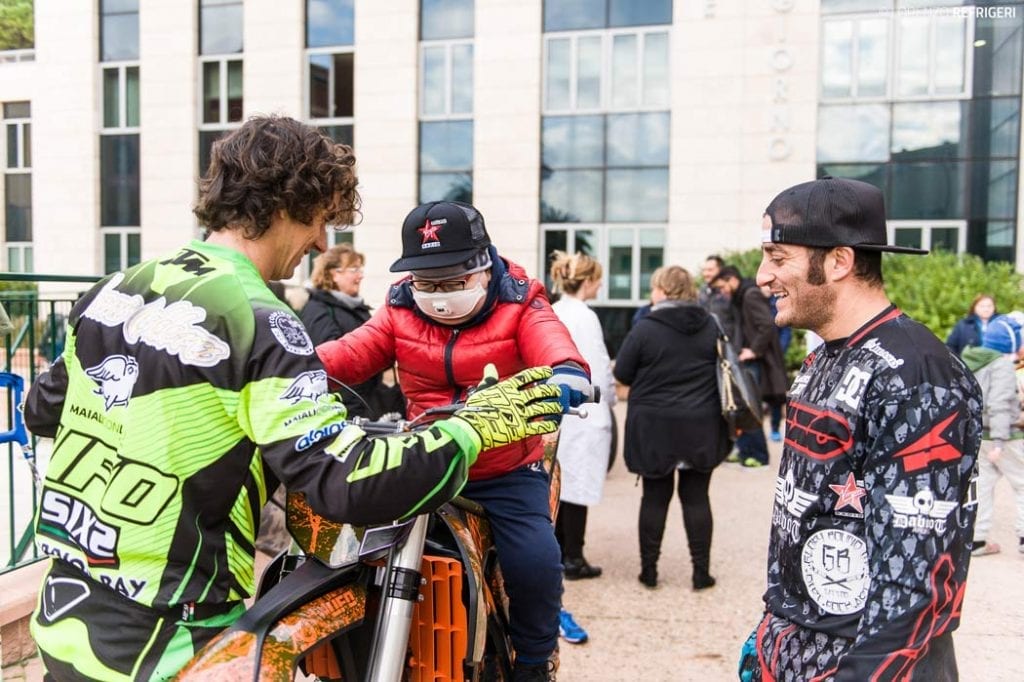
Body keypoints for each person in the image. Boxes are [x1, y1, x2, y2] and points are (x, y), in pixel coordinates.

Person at [22, 117, 563, 682]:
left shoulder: (114, 289)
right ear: (289, 204)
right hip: (175, 637)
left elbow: (41, 408)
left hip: (66, 612)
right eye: (324, 218)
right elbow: (343, 478)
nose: (322, 243)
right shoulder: (261, 322)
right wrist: (474, 426)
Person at [317, 200, 593, 682]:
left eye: (451, 281)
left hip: (503, 468)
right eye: (426, 282)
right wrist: (290, 365)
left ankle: (534, 660)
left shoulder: (521, 301)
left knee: (535, 559)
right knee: (342, 537)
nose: (438, 294)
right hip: (424, 457)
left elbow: (553, 344)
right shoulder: (400, 306)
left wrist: (566, 376)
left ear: (484, 266)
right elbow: (352, 352)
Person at [740, 176, 982, 681]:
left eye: (778, 257)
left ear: (839, 261)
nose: (762, 276)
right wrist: (773, 634)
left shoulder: (917, 376)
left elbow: (917, 584)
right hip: (798, 650)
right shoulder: (824, 358)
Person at [613, 265, 731, 591]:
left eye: (653, 288)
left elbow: (622, 373)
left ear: (664, 291)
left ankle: (649, 572)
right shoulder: (711, 325)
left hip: (654, 427)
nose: (651, 295)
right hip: (702, 424)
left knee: (654, 498)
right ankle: (700, 573)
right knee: (696, 498)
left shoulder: (645, 328)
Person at [549, 251, 616, 581]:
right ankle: (574, 557)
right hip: (585, 412)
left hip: (558, 411)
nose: (601, 284)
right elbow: (599, 368)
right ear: (587, 281)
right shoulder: (585, 317)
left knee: (559, 486)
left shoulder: (553, 311)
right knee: (577, 487)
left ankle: (561, 552)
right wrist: (611, 400)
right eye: (598, 278)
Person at [300, 243, 404, 419]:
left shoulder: (357, 308)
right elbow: (329, 370)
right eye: (354, 269)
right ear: (334, 274)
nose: (360, 276)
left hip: (369, 407)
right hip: (349, 412)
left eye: (360, 269)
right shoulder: (319, 310)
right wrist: (354, 414)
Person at [710, 265, 788, 468]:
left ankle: (758, 455)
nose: (723, 291)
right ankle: (746, 450)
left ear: (731, 279)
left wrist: (753, 350)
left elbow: (767, 325)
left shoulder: (750, 295)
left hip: (755, 360)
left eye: (723, 286)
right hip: (746, 358)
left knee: (748, 404)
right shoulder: (742, 295)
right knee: (742, 403)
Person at [962, 314, 1024, 557]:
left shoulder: (974, 361)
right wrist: (1000, 440)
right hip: (1005, 436)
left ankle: (977, 538)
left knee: (983, 486)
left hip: (981, 435)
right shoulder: (1001, 367)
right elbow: (999, 405)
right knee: (1022, 484)